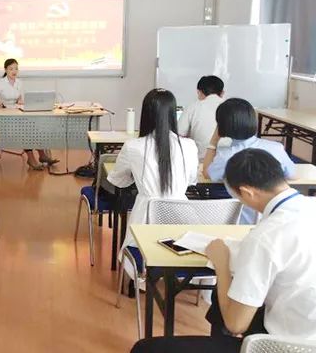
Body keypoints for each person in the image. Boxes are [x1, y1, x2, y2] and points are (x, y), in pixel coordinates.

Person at [131, 149, 316, 353]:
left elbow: (236, 325)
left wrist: (221, 264)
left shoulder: (265, 237)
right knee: (221, 305)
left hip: (285, 347)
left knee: (144, 349)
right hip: (306, 331)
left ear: (247, 192)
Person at [108, 89, 198, 250]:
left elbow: (118, 180)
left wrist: (138, 178)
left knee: (139, 251)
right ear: (173, 114)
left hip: (145, 223)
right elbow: (192, 180)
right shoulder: (189, 146)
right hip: (182, 225)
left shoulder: (133, 146)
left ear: (146, 115)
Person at [203, 98, 295, 224]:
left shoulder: (226, 156)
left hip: (242, 222)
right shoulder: (276, 148)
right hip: (276, 218)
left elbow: (207, 173)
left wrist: (213, 142)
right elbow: (292, 174)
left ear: (222, 126)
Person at [0, 58, 58, 170]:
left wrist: (23, 102)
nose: (14, 71)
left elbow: (19, 99)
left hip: (16, 113)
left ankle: (42, 155)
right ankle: (31, 159)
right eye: (11, 69)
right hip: (4, 116)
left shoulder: (19, 83)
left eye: (16, 69)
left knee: (33, 127)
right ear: (5, 70)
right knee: (25, 129)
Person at [178, 75, 225, 159]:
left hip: (200, 160)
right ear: (222, 93)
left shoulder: (193, 106)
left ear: (199, 92)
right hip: (228, 161)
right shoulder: (232, 107)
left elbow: (179, 134)